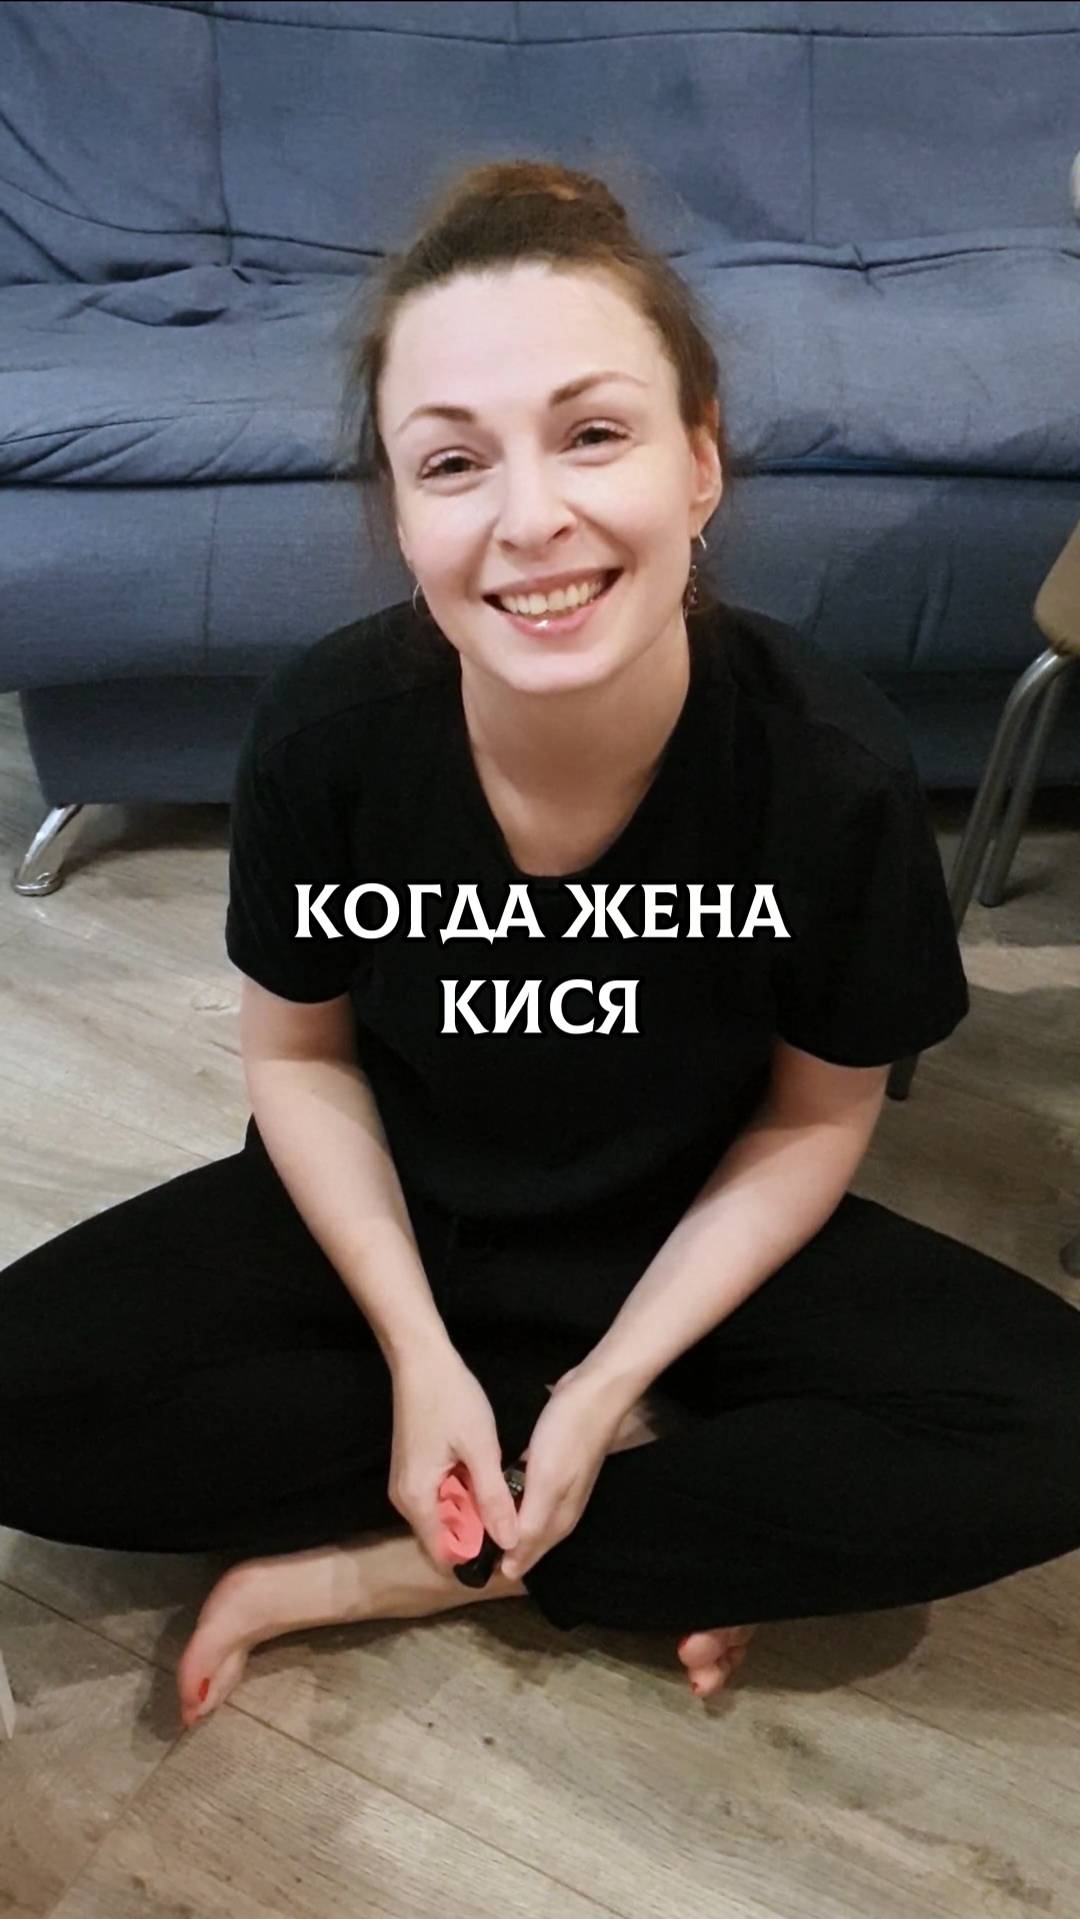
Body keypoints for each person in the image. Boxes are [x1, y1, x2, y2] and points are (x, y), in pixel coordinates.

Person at [4, 160, 1080, 1735]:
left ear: (699, 462)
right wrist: (417, 1353)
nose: (530, 520)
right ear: (400, 512)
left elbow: (816, 1114)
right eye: (452, 463)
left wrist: (611, 1372)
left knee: (1052, 1427)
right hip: (401, 1217)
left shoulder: (828, 768)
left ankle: (417, 1560)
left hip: (689, 1231)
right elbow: (298, 1058)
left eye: (593, 435)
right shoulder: (327, 734)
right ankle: (642, 1481)